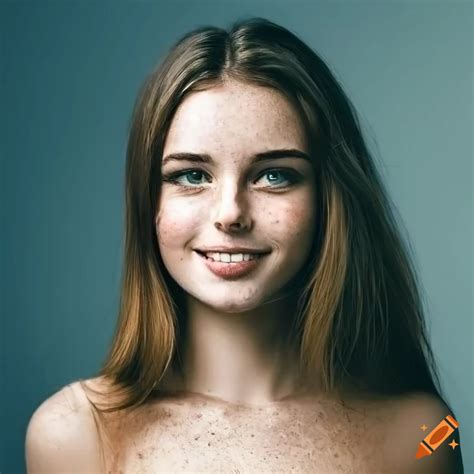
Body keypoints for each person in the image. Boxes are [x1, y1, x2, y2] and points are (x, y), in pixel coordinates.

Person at [25, 17, 464, 473]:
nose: (230, 213)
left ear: (331, 199)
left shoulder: (426, 436)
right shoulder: (72, 433)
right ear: (147, 202)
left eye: (274, 175)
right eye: (191, 176)